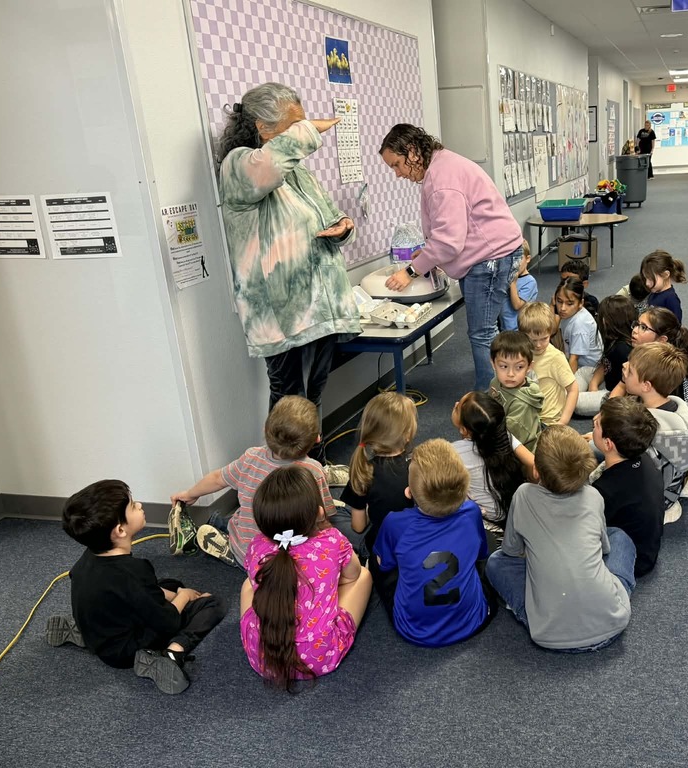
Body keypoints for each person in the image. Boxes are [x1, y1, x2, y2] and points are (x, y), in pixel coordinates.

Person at [217, 82, 361, 413]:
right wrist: (310, 129)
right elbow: (267, 167)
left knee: (312, 399)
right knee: (290, 403)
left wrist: (343, 228)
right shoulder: (238, 166)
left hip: (319, 308)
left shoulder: (298, 172)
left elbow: (330, 215)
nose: (303, 130)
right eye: (293, 124)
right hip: (281, 312)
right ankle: (285, 466)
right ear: (262, 127)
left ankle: (313, 464)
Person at [380, 124, 524, 391]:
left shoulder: (441, 178)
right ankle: (503, 389)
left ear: (412, 152)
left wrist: (411, 271)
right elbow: (453, 230)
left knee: (482, 334)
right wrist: (430, 253)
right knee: (490, 331)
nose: (398, 174)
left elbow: (449, 241)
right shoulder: (443, 164)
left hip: (490, 257)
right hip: (496, 251)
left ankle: (488, 399)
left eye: (397, 164)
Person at [51, 480, 226, 694]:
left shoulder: (88, 557)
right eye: (133, 505)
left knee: (170, 585)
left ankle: (83, 632)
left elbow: (140, 591)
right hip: (126, 651)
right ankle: (172, 654)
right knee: (212, 604)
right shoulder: (133, 572)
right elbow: (168, 621)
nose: (140, 505)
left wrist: (176, 592)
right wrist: (185, 596)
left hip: (99, 634)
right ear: (120, 530)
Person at [486, 426, 635, 652]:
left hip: (548, 635)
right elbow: (604, 548)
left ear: (536, 470)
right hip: (613, 622)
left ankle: (538, 610)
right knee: (620, 538)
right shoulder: (594, 496)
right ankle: (601, 597)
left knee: (496, 563)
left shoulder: (524, 495)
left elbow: (511, 551)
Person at [171, 396, 349, 566]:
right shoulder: (314, 470)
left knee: (238, 520)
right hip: (291, 559)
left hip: (250, 551)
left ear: (266, 430)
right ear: (317, 439)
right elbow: (323, 517)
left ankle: (233, 549)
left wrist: (189, 494)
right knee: (339, 520)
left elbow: (217, 479)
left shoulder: (250, 457)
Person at [240, 466, 371, 691]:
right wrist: (325, 585)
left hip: (263, 656)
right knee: (365, 576)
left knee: (247, 584)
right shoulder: (332, 541)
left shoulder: (257, 546)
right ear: (319, 513)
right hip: (320, 655)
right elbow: (354, 575)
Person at [374, 440, 492, 647]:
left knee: (376, 562)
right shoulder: (472, 512)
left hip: (414, 630)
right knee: (485, 545)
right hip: (472, 621)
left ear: (409, 492)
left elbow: (386, 565)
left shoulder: (394, 523)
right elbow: (482, 554)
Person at [622, 343, 688, 523]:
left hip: (652, 498)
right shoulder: (679, 410)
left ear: (646, 386)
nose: (624, 367)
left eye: (630, 371)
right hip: (673, 482)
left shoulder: (643, 428)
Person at [339, 392, 418, 563]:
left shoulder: (363, 470)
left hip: (381, 549)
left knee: (339, 514)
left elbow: (358, 527)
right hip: (415, 544)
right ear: (407, 434)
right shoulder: (417, 468)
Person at [590, 398, 663, 577]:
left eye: (597, 424)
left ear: (608, 444)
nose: (593, 420)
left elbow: (590, 529)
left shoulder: (604, 491)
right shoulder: (645, 457)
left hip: (635, 560)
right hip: (649, 546)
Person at [451, 390, 531, 534]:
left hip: (486, 525)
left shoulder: (453, 452)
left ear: (463, 429)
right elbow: (534, 462)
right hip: (514, 512)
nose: (455, 404)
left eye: (457, 408)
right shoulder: (503, 436)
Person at [518, 302, 578, 427]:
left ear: (550, 333)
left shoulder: (555, 357)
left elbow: (573, 389)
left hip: (548, 420)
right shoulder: (521, 353)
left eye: (544, 338)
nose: (538, 345)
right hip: (527, 416)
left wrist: (563, 422)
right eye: (533, 340)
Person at [576, 295, 636, 417]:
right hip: (608, 381)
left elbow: (626, 388)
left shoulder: (623, 350)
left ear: (606, 321)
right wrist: (593, 384)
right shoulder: (613, 338)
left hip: (614, 394)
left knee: (574, 401)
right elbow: (605, 363)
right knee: (583, 371)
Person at [488, 331, 544, 452]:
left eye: (519, 367)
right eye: (504, 366)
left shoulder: (521, 405)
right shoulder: (495, 382)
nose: (510, 374)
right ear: (493, 364)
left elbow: (506, 441)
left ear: (529, 367)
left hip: (519, 454)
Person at [554, 276, 603, 373]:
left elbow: (574, 359)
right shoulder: (569, 313)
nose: (562, 308)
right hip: (575, 359)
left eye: (569, 303)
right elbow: (551, 331)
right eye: (559, 301)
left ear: (581, 303)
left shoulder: (580, 325)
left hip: (588, 369)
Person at [640, 250, 687, 322]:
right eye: (645, 278)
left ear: (665, 275)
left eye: (650, 279)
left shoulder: (671, 299)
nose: (647, 283)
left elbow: (676, 326)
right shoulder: (654, 292)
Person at [503, 241, 538, 331]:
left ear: (527, 259)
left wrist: (513, 283)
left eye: (518, 259)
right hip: (504, 327)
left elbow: (517, 305)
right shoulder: (507, 277)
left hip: (518, 329)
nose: (514, 264)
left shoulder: (530, 282)